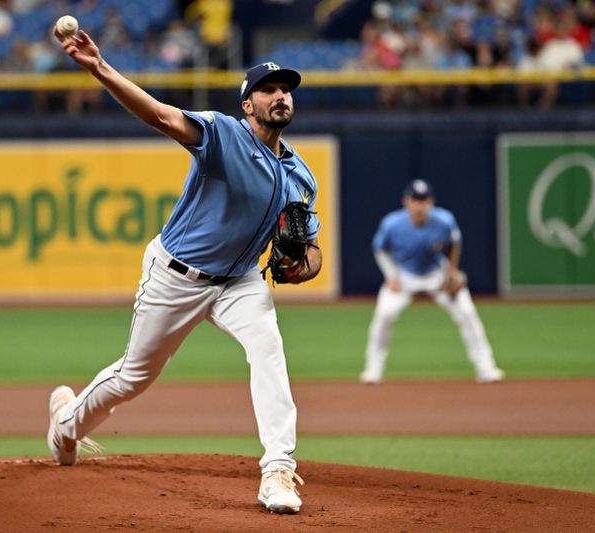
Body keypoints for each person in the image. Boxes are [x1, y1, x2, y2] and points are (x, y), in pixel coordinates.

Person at [47, 25, 323, 516]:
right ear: (248, 104)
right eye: (269, 89)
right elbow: (159, 115)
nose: (280, 95)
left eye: (286, 90)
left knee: (270, 350)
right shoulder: (223, 134)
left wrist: (303, 265)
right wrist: (99, 67)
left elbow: (311, 251)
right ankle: (66, 424)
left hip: (239, 282)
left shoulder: (301, 176)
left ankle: (277, 469)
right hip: (178, 274)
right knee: (135, 376)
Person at [360, 179, 503, 385]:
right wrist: (391, 275)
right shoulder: (392, 223)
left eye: (423, 200)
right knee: (384, 314)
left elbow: (455, 243)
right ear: (406, 201)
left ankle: (486, 368)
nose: (419, 205)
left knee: (467, 312)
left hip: (437, 274)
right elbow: (380, 249)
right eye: (415, 200)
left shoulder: (444, 220)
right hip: (404, 275)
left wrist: (452, 270)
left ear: (431, 201)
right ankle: (373, 370)